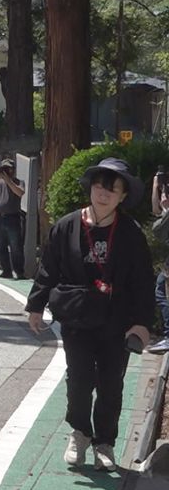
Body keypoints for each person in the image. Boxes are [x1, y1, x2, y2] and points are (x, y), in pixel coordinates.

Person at [25, 157, 154, 472]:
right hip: (77, 318)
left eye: (113, 189)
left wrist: (141, 323)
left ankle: (104, 443)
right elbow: (48, 269)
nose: (104, 194)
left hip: (117, 322)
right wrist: (36, 305)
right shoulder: (67, 226)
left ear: (123, 196)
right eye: (99, 186)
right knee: (79, 379)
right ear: (90, 189)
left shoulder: (130, 233)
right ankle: (80, 433)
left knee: (112, 382)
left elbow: (142, 281)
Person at [0, 157, 26, 279]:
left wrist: (8, 181)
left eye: (9, 169)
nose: (7, 171)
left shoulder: (18, 182)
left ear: (13, 170)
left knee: (16, 247)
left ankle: (19, 271)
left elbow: (20, 192)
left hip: (13, 218)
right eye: (4, 169)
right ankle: (6, 270)